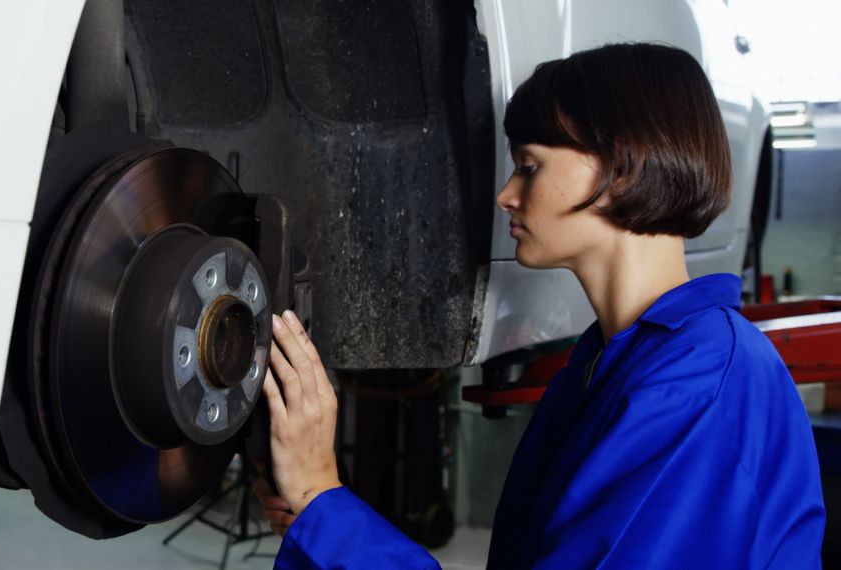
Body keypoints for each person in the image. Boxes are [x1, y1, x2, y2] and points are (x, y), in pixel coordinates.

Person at [254, 43, 826, 569]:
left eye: (529, 166)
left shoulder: (694, 390)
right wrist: (321, 515)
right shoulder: (611, 361)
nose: (506, 193)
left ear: (624, 169)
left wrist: (321, 498)